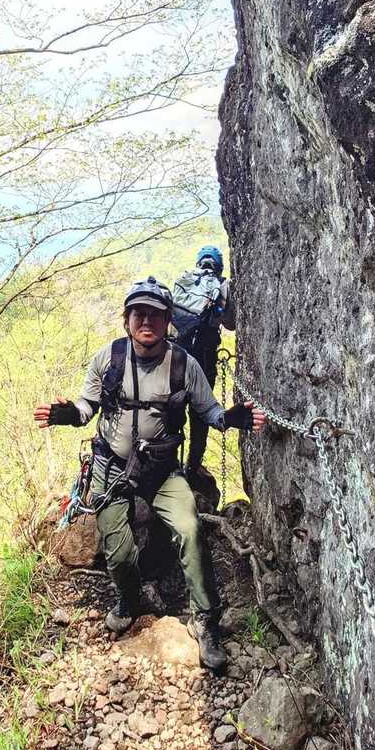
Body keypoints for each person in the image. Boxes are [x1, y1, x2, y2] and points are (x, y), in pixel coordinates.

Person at [34, 276, 266, 673]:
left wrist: (232, 418)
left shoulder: (183, 364)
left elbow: (209, 411)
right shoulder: (109, 359)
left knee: (190, 530)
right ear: (126, 319)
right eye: (139, 313)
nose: (147, 321)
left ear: (168, 319)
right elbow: (87, 406)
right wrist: (68, 414)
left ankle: (205, 621)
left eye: (155, 314)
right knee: (119, 552)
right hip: (111, 467)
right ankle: (128, 598)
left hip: (162, 470)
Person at [170, 245, 236, 476]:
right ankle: (193, 465)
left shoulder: (184, 279)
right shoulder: (223, 285)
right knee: (201, 412)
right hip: (204, 356)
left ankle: (168, 462)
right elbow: (231, 323)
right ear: (219, 266)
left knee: (172, 408)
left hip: (175, 354)